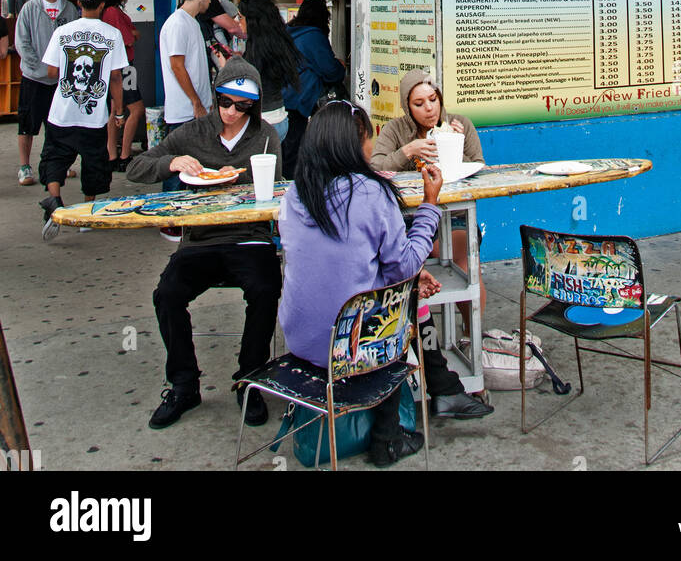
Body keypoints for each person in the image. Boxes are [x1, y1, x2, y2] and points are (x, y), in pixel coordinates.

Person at [278, 98, 442, 467]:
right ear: (357, 143)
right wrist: (430, 205)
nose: (373, 145)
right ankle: (387, 437)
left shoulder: (293, 195)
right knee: (402, 305)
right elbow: (404, 265)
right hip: (354, 350)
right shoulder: (372, 192)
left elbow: (337, 262)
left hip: (303, 341)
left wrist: (410, 273)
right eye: (370, 136)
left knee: (392, 286)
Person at [126, 57, 283, 431]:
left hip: (248, 237)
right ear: (216, 97)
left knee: (266, 288)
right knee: (167, 294)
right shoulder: (193, 133)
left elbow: (276, 191)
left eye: (242, 106)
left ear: (254, 106)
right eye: (225, 102)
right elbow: (136, 168)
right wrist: (173, 163)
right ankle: (184, 384)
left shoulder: (266, 137)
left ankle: (250, 378)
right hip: (200, 238)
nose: (231, 112)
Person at [370, 69, 488, 333]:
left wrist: (455, 147)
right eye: (419, 104)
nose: (429, 109)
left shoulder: (460, 124)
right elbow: (375, 167)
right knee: (415, 259)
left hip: (455, 213)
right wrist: (407, 151)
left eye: (433, 100)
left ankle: (472, 334)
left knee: (466, 264)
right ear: (407, 107)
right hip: (412, 218)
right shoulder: (396, 130)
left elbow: (479, 168)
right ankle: (412, 337)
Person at [38, 0, 127, 240]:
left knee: (54, 158)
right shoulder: (112, 35)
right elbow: (116, 78)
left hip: (61, 113)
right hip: (93, 116)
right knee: (94, 163)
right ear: (101, 5)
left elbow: (52, 72)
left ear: (79, 4)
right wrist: (119, 112)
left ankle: (54, 200)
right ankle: (87, 211)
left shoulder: (63, 32)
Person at [14, 0, 79, 187]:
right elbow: (22, 43)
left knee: (59, 124)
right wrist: (41, 68)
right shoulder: (28, 9)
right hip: (33, 78)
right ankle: (25, 166)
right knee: (27, 124)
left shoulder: (69, 9)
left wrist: (62, 69)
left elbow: (74, 41)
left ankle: (59, 163)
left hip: (60, 79)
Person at [282, 0, 346, 178]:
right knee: (295, 150)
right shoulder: (313, 36)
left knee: (288, 149)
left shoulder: (288, 32)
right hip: (300, 100)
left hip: (284, 99)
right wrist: (341, 65)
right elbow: (331, 71)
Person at [238, 0, 301, 160]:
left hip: (260, 122)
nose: (238, 22)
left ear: (252, 20)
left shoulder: (255, 51)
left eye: (241, 17)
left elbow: (246, 88)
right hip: (279, 118)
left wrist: (228, 68)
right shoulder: (277, 44)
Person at [100, 0, 144, 171]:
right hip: (123, 67)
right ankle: (124, 154)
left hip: (116, 67)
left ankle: (111, 154)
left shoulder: (109, 11)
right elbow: (129, 39)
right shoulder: (114, 13)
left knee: (114, 109)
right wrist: (134, 33)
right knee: (136, 109)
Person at [159, 0, 213, 129]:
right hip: (185, 113)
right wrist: (196, 101)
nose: (210, 2)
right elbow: (177, 66)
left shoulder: (192, 21)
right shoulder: (178, 23)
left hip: (197, 111)